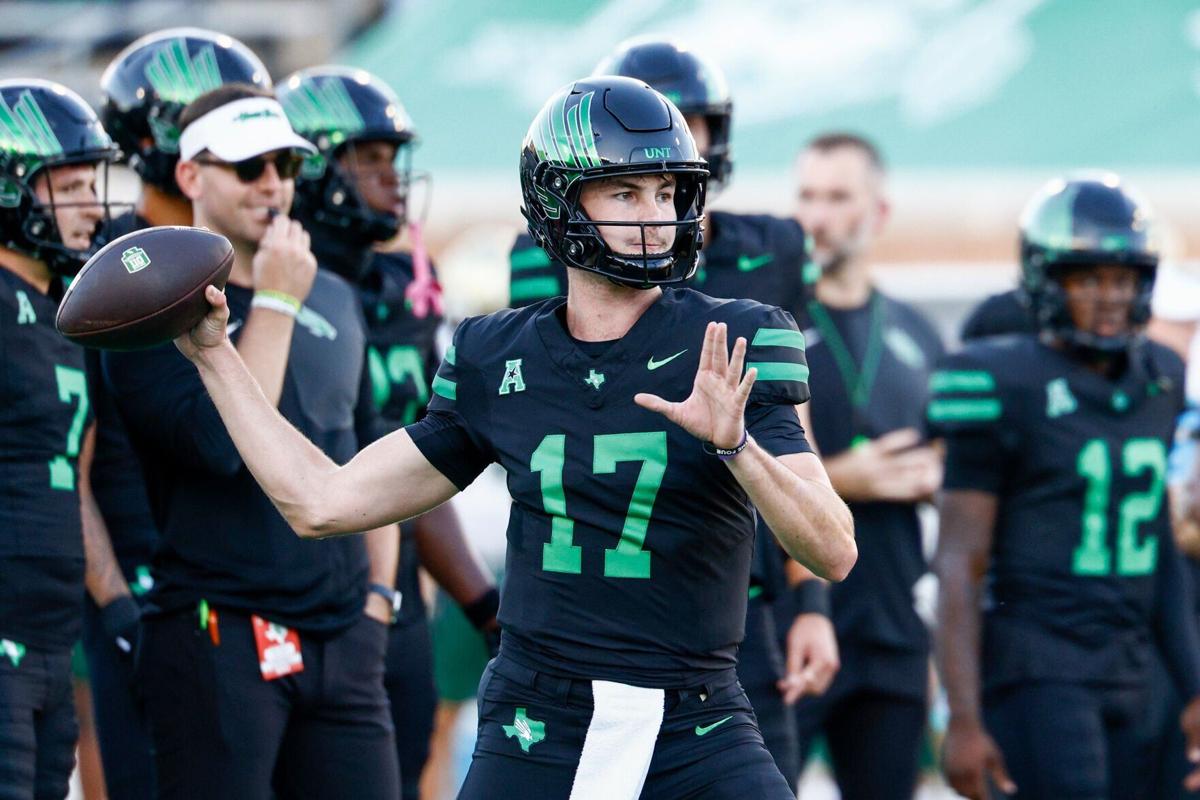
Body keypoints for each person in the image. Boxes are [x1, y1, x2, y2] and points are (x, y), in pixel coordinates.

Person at [175, 75, 855, 799]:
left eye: (667, 192)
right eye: (626, 193)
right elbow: (319, 503)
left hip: (697, 723)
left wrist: (738, 447)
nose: (656, 216)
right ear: (560, 200)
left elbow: (834, 548)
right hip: (537, 722)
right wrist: (216, 358)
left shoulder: (737, 336)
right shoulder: (495, 356)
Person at [510, 40, 831, 783]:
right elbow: (551, 405)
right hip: (604, 595)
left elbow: (798, 448)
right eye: (628, 186)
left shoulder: (770, 258)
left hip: (732, 592)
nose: (668, 136)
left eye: (688, 120)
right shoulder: (529, 289)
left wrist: (810, 601)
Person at [101, 83, 400, 799]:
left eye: (287, 167)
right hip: (218, 634)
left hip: (343, 637)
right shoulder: (143, 306)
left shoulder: (330, 291)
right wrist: (273, 301)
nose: (274, 184)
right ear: (189, 175)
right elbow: (221, 444)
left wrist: (378, 602)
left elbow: (368, 449)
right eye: (250, 166)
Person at [933, 173, 1200, 800]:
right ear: (1048, 280)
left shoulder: (1162, 375)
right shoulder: (999, 378)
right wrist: (963, 720)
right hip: (1039, 664)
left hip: (1135, 664)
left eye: (1123, 278)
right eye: (1088, 278)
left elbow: (1158, 548)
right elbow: (958, 561)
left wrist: (1193, 688)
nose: (1109, 296)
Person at [279, 65, 501, 799]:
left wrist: (480, 604)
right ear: (312, 168)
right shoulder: (273, 298)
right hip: (288, 597)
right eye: (368, 160)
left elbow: (422, 469)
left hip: (394, 597)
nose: (392, 179)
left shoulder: (403, 288)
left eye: (393, 160)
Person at [82, 29, 272, 798]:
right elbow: (70, 460)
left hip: (249, 598)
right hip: (150, 593)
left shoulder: (254, 259)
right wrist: (118, 603)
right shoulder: (112, 269)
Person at [787, 132, 944, 799]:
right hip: (790, 626)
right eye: (807, 196)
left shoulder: (918, 333)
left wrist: (942, 475)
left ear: (877, 213)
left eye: (838, 196)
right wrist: (841, 480)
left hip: (891, 632)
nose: (816, 216)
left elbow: (952, 463)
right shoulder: (772, 323)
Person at [0, 78, 128, 800]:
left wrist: (115, 605)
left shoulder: (63, 315)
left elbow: (71, 481)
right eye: (70, 185)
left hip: (50, 642)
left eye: (92, 183)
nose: (91, 206)